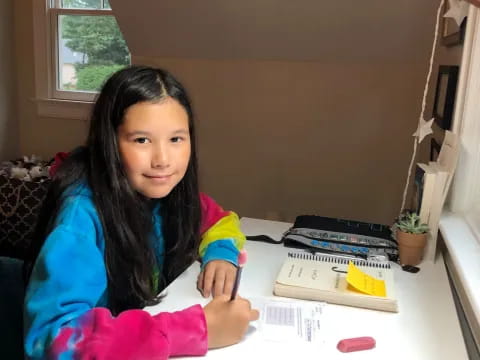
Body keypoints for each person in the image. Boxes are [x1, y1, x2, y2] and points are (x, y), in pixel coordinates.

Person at [23, 65, 259, 359]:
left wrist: (222, 252)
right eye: (141, 140)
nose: (162, 160)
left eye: (176, 139)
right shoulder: (79, 221)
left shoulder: (168, 194)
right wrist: (194, 330)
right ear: (110, 142)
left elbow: (219, 219)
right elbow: (54, 340)